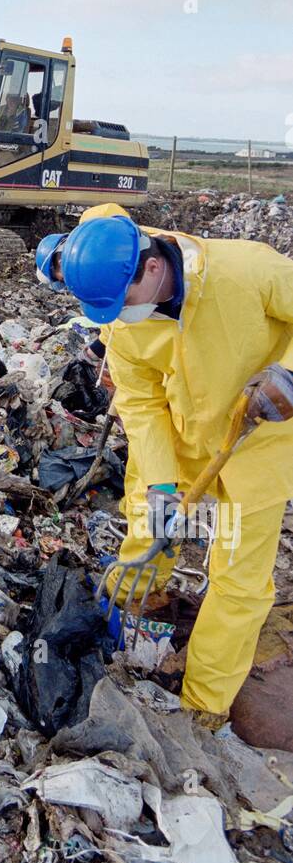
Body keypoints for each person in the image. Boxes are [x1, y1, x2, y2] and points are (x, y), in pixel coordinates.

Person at [60, 212, 293, 728]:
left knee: (239, 580)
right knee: (150, 520)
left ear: (149, 267)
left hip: (258, 444)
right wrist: (162, 484)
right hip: (185, 441)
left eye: (122, 301)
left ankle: (204, 703)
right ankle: (136, 601)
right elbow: (141, 406)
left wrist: (290, 374)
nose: (118, 316)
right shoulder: (126, 326)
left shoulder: (247, 271)